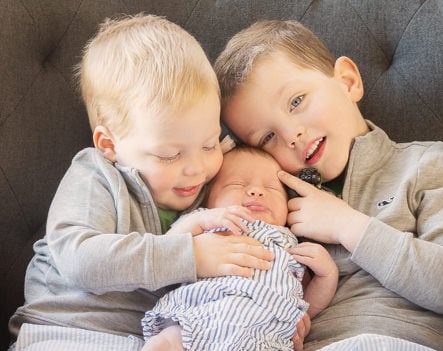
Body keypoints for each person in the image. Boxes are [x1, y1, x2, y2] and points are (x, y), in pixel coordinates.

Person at [8, 14, 275, 350]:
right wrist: (190, 255)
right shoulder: (98, 177)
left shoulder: (215, 180)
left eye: (209, 143)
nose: (196, 168)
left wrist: (271, 312)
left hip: (157, 339)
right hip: (65, 332)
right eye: (169, 155)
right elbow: (82, 260)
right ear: (110, 145)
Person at [213, 20, 443, 351]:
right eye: (268, 137)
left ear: (348, 82)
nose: (291, 135)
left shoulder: (426, 164)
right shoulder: (277, 201)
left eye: (296, 101)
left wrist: (345, 225)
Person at [141, 146, 338, 351]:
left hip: (263, 333)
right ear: (209, 201)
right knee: (164, 343)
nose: (256, 191)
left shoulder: (289, 243)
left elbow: (303, 299)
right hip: (196, 316)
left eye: (271, 188)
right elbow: (164, 250)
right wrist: (200, 219)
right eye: (236, 184)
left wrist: (327, 276)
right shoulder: (205, 223)